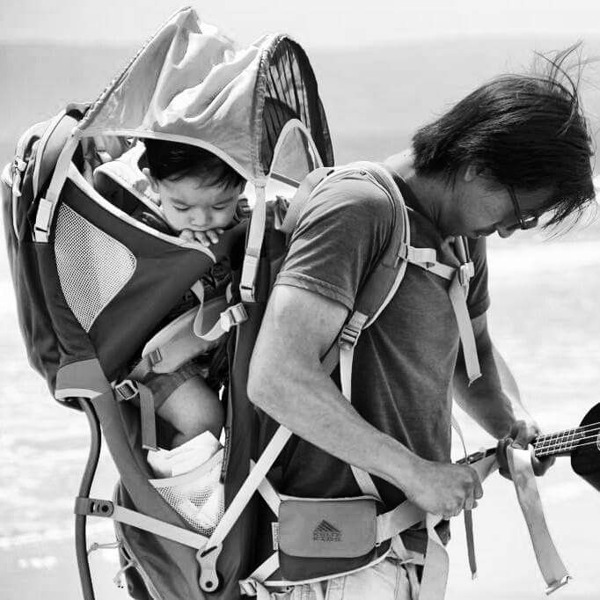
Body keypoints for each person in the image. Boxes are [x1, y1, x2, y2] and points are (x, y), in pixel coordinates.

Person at [247, 48, 595, 597]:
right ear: (478, 164)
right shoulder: (358, 207)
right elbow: (276, 376)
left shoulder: (461, 240)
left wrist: (511, 423)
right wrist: (414, 473)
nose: (510, 231)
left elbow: (472, 353)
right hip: (327, 559)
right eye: (517, 213)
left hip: (407, 549)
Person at [134, 138, 248, 450]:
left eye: (219, 206)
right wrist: (178, 254)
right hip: (158, 361)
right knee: (203, 419)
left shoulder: (244, 221)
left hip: (216, 353)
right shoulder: (144, 230)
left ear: (243, 184)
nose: (201, 219)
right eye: (182, 207)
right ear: (153, 184)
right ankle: (170, 478)